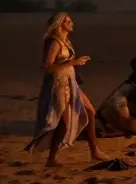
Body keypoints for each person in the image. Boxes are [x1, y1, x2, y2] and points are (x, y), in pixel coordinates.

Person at [26, 12, 109, 167]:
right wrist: (72, 63)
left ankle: (94, 151)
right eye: (68, 21)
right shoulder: (54, 42)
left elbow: (67, 63)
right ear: (60, 24)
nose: (72, 23)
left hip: (70, 82)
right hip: (58, 85)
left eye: (71, 21)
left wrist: (76, 63)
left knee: (90, 111)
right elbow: (47, 67)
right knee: (63, 122)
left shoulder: (66, 41)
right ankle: (52, 158)